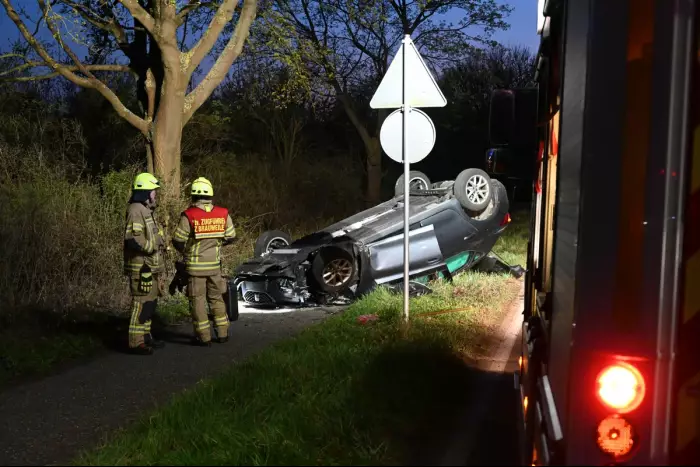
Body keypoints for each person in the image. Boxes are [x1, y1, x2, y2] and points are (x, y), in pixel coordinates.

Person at [172, 177, 236, 346]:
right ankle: (223, 333)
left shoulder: (189, 215)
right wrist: (217, 244)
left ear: (193, 195)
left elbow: (178, 240)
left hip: (195, 268)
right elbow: (231, 236)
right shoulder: (223, 213)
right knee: (216, 298)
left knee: (198, 301)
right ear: (210, 194)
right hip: (215, 267)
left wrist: (186, 250)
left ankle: (203, 337)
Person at [123, 172, 166, 355]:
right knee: (140, 304)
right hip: (141, 268)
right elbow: (133, 239)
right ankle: (136, 342)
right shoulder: (135, 210)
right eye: (153, 191)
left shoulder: (146, 210)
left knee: (150, 303)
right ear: (145, 192)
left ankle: (146, 337)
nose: (155, 194)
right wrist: (152, 247)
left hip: (151, 267)